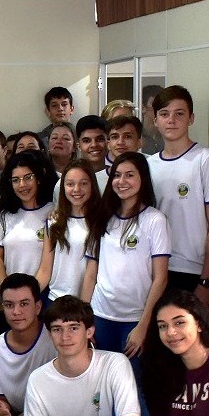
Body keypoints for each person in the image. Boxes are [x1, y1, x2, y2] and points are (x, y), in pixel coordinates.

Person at [82, 152, 170, 357]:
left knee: (134, 386)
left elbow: (161, 278)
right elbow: (90, 274)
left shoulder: (155, 220)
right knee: (102, 384)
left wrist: (144, 325)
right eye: (116, 175)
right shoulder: (102, 217)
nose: (121, 181)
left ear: (143, 179)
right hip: (100, 316)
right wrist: (84, 319)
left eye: (129, 175)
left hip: (135, 319)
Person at [147, 85, 209, 304]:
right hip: (155, 268)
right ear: (155, 120)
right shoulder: (148, 165)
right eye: (164, 114)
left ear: (191, 118)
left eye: (179, 114)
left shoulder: (206, 159)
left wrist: (207, 280)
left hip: (192, 270)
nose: (171, 120)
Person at [0, 274, 57, 416]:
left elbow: (65, 394)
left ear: (38, 307)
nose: (16, 312)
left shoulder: (56, 340)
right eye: (9, 305)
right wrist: (1, 412)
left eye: (24, 304)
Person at [38, 159, 100, 301]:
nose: (76, 189)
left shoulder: (101, 222)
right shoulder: (54, 221)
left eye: (83, 183)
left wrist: (84, 309)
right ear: (63, 187)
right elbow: (44, 270)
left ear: (92, 185)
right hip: (56, 299)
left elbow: (94, 273)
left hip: (86, 302)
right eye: (70, 184)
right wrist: (29, 297)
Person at [0, 151, 56, 285]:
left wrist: (32, 294)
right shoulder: (6, 215)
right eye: (15, 180)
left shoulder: (53, 211)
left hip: (43, 291)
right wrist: (5, 287)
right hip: (12, 292)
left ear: (38, 178)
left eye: (28, 177)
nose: (22, 185)